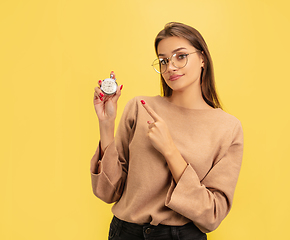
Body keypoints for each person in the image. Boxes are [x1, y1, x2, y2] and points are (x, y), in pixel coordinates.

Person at [91, 22, 244, 240]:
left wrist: (170, 150)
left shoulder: (227, 128)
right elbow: (108, 192)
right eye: (163, 60)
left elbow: (212, 215)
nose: (170, 67)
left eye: (180, 56)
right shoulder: (140, 107)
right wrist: (106, 124)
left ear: (202, 59)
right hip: (125, 232)